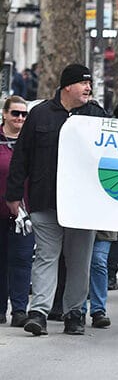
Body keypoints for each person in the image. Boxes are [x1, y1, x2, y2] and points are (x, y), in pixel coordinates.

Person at [5, 64, 109, 336]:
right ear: (66, 87)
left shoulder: (97, 116)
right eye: (82, 83)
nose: (88, 88)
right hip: (45, 200)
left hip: (83, 206)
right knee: (46, 257)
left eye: (90, 84)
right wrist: (13, 195)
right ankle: (39, 312)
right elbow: (21, 157)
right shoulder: (39, 115)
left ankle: (74, 314)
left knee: (79, 261)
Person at [0, 96, 32, 327]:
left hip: (24, 215)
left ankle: (19, 310)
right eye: (15, 113)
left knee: (21, 261)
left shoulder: (31, 143)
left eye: (24, 114)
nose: (20, 118)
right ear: (4, 114)